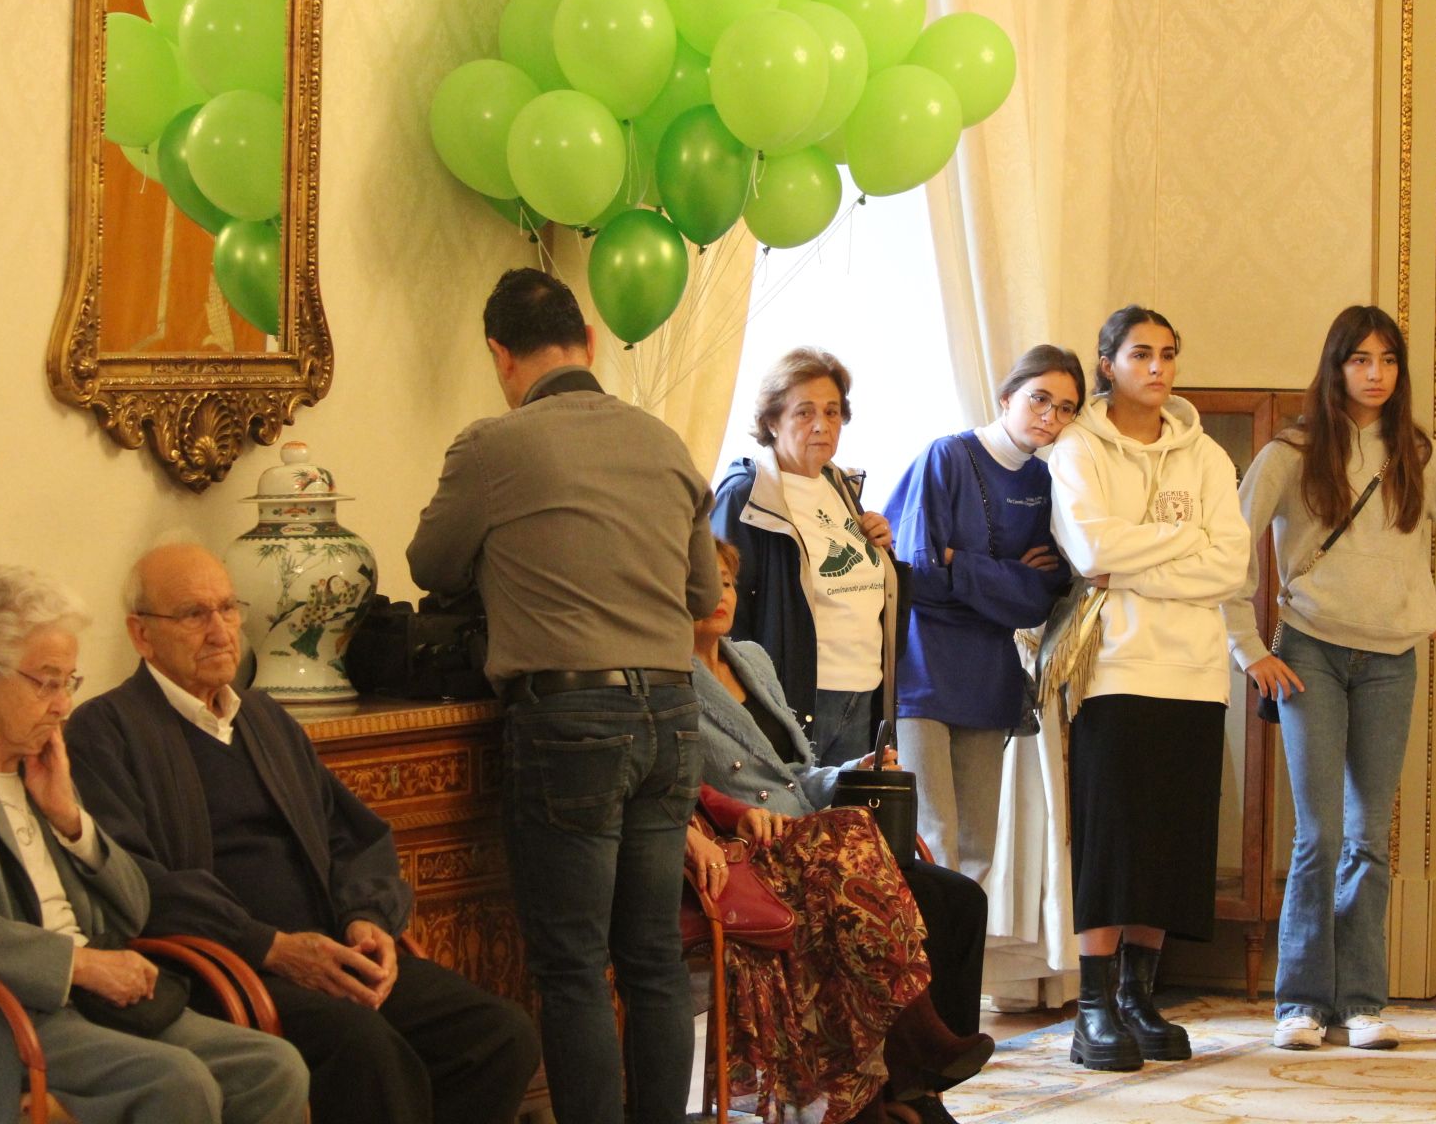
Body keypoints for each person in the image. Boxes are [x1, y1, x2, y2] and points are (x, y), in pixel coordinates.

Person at [65, 543, 541, 1124]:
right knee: (366, 1050)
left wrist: (366, 917)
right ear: (142, 635)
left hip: (330, 948)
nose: (219, 631)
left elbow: (353, 835)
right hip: (228, 968)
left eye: (228, 609)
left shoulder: (264, 718)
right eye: (193, 614)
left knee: (499, 1034)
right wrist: (273, 946)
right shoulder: (104, 731)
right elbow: (139, 883)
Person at [407, 267, 721, 1124]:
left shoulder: (493, 444)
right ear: (588, 344)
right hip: (671, 713)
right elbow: (702, 595)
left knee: (574, 965)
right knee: (652, 956)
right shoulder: (665, 443)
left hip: (571, 720)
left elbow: (428, 565)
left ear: (500, 356)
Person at [0, 566, 307, 1124]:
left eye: (70, 682)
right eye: (46, 681)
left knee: (273, 1067)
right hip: (3, 1019)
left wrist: (70, 821)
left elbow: (133, 907)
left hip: (96, 1009)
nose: (63, 704)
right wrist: (79, 965)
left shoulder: (42, 768)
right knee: (176, 1083)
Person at [1223, 305, 1436, 1053]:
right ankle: (1301, 1004)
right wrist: (1250, 651)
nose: (1375, 374)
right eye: (1360, 359)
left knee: (1370, 835)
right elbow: (1231, 560)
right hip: (1308, 655)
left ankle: (1363, 1003)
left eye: (1389, 360)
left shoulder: (1423, 455)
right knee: (1320, 834)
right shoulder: (1290, 451)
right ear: (1335, 367)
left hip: (1390, 662)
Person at [687, 539, 992, 1124]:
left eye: (728, 582)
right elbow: (686, 787)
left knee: (957, 899)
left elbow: (797, 773)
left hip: (823, 843)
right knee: (856, 834)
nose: (721, 595)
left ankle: (916, 1087)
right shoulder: (669, 680)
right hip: (756, 852)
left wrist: (854, 771)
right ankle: (918, 1054)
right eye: (707, 582)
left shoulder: (751, 658)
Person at [1047, 305, 1251, 1072]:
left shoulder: (1204, 457)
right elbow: (1091, 545)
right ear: (1107, 364)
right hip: (1118, 667)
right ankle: (1094, 1006)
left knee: (1170, 840)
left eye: (1169, 354)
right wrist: (1184, 545)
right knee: (1113, 838)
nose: (1158, 368)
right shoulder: (1078, 447)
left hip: (1196, 672)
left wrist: (1140, 557)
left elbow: (1231, 564)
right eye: (1140, 354)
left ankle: (1139, 995)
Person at [882, 345, 1083, 882]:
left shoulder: (1047, 483)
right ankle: (925, 967)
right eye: (1039, 399)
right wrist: (1007, 574)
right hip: (923, 669)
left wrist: (961, 563)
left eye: (1066, 408)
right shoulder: (946, 456)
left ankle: (960, 965)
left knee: (977, 848)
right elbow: (918, 571)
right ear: (1006, 397)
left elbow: (1041, 599)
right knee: (932, 838)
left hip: (989, 673)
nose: (1050, 416)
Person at [712, 347, 902, 768]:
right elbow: (723, 611)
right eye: (804, 412)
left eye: (833, 412)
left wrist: (883, 550)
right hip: (796, 697)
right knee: (799, 827)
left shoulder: (840, 485)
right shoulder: (746, 495)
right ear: (771, 423)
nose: (822, 424)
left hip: (864, 694)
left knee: (848, 830)